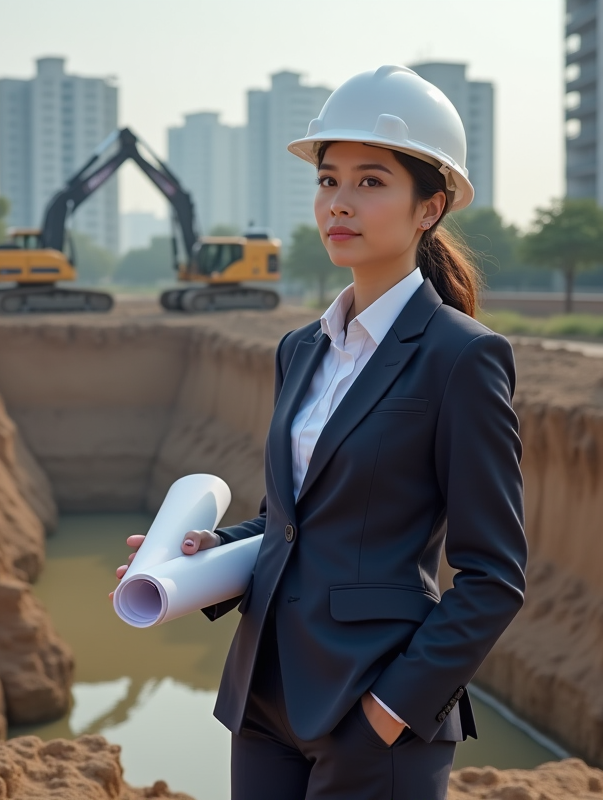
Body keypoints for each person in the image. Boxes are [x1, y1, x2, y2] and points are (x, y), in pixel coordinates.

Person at [114, 65, 527, 799]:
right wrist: (205, 554)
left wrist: (390, 712)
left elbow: (494, 577)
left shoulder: (462, 358)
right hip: (264, 696)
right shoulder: (301, 349)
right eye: (328, 180)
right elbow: (295, 520)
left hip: (372, 704)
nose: (339, 201)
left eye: (371, 182)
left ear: (430, 208)